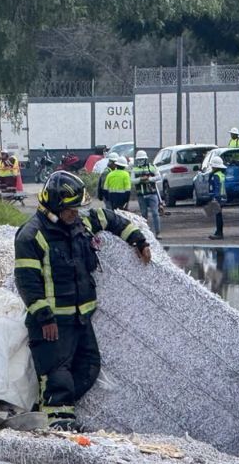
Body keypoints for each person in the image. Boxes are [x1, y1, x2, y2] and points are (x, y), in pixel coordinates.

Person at [13, 171, 152, 430]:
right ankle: (58, 426)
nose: (75, 213)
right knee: (57, 376)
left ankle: (47, 413)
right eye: (71, 209)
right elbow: (27, 281)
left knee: (89, 367)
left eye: (77, 208)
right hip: (52, 321)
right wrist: (44, 317)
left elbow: (109, 218)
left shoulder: (79, 224)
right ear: (55, 205)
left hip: (79, 317)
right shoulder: (31, 236)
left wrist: (138, 240)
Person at [132, 149, 161, 237]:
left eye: (142, 159)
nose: (140, 161)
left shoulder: (152, 167)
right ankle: (146, 234)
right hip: (141, 195)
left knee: (155, 213)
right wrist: (140, 179)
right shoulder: (135, 169)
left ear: (145, 159)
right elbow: (132, 180)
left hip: (152, 194)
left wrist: (149, 179)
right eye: (139, 159)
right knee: (144, 215)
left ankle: (158, 233)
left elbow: (159, 177)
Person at [206, 155, 227, 240]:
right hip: (222, 197)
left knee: (218, 216)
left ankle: (219, 233)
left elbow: (216, 187)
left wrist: (215, 198)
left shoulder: (215, 176)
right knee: (218, 215)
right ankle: (218, 231)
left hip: (217, 197)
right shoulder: (221, 174)